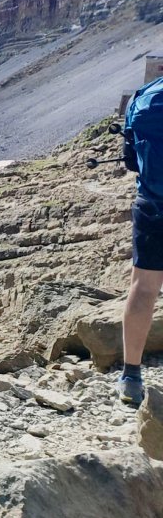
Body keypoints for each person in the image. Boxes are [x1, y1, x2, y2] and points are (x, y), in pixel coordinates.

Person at [117, 77, 163, 407]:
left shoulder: (143, 96)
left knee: (144, 286)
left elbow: (131, 159)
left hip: (151, 202)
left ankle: (131, 376)